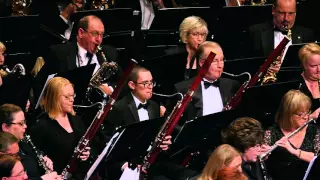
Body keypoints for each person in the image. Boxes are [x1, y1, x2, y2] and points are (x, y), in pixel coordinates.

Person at [104, 66, 174, 179]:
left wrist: (164, 144)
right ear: (132, 85)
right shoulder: (119, 108)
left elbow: (154, 137)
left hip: (151, 164)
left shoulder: (154, 106)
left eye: (151, 82)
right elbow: (108, 144)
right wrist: (124, 166)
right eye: (145, 83)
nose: (150, 87)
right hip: (129, 167)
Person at [34, 15, 118, 101]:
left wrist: (110, 89)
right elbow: (39, 84)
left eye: (101, 34)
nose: (99, 40)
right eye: (95, 33)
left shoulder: (109, 53)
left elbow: (122, 82)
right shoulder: (60, 53)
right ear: (81, 33)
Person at [29, 77, 90, 177]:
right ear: (54, 98)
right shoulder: (41, 126)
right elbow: (36, 157)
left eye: (72, 95)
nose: (72, 99)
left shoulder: (76, 119)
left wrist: (87, 153)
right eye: (67, 97)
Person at [174, 41, 240, 121]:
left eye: (222, 60)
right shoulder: (182, 89)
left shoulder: (232, 85)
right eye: (215, 61)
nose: (220, 65)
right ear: (202, 63)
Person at [264, 90, 320, 180]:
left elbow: (317, 160)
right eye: (300, 114)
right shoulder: (270, 133)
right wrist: (263, 156)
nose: (306, 117)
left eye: (307, 112)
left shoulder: (314, 131)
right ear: (287, 113)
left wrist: (295, 151)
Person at [0, 103, 60, 180]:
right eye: (21, 123)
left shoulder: (23, 143)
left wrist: (45, 158)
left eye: (24, 122)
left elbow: (37, 154)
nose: (25, 126)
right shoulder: (4, 152)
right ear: (5, 127)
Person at [249, 0, 315, 57]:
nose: (286, 18)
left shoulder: (306, 34)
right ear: (273, 10)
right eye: (282, 13)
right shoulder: (256, 32)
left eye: (291, 13)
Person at [165, 16, 208, 80]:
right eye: (195, 34)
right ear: (185, 35)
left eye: (202, 34)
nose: (200, 39)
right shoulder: (171, 55)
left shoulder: (208, 56)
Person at [297, 43, 320, 113]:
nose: (319, 69)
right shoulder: (297, 86)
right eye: (313, 66)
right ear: (303, 66)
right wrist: (311, 117)